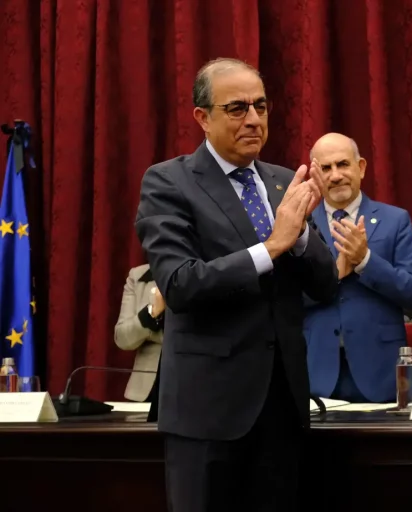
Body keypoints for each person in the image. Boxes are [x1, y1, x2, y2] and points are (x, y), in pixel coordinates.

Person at [135, 57, 338, 512]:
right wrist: (272, 246)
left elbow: (326, 286)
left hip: (283, 410)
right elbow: (180, 284)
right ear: (202, 118)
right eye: (237, 108)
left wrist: (301, 235)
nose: (253, 119)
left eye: (261, 107)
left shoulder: (286, 182)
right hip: (208, 413)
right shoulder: (169, 182)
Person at [304, 133, 412, 403]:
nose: (335, 175)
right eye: (326, 168)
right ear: (315, 175)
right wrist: (333, 276)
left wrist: (365, 261)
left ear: (361, 167)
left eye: (343, 164)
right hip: (316, 374)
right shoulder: (301, 227)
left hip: (381, 374)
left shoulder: (395, 220)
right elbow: (286, 299)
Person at [113, 263, 163, 421]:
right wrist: (151, 313)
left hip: (193, 390)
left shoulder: (206, 273)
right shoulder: (138, 275)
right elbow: (122, 338)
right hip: (145, 393)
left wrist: (150, 334)